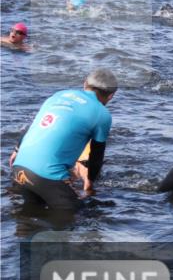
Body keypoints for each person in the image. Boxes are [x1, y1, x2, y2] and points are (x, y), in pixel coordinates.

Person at [8, 68, 117, 210]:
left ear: (85, 84)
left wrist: (17, 149)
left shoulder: (58, 95)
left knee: (28, 216)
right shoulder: (102, 114)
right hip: (48, 176)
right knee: (79, 216)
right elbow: (97, 154)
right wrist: (89, 182)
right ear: (111, 96)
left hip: (19, 167)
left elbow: (35, 125)